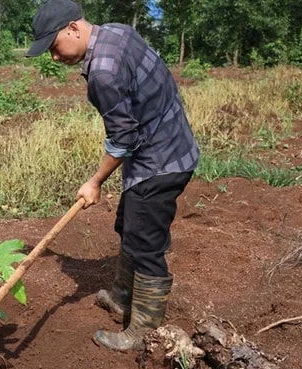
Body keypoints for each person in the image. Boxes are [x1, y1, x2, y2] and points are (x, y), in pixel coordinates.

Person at [27, 0, 200, 351]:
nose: (55, 58)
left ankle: (144, 333)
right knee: (128, 223)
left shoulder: (102, 72)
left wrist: (94, 182)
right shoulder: (116, 31)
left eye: (54, 46)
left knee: (146, 243)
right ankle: (123, 294)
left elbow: (123, 137)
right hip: (162, 146)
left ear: (73, 29)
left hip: (161, 160)